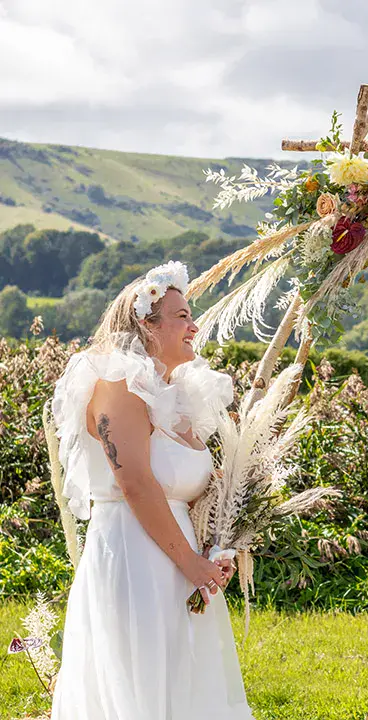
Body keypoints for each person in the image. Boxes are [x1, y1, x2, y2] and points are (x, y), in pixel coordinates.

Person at [50, 262, 253, 719]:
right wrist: (192, 563)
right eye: (182, 316)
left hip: (181, 559)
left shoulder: (175, 396)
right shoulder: (117, 384)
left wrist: (217, 542)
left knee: (187, 686)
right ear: (147, 323)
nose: (194, 325)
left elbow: (189, 486)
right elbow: (135, 482)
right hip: (134, 560)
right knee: (142, 688)